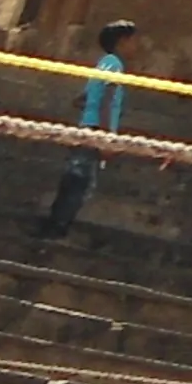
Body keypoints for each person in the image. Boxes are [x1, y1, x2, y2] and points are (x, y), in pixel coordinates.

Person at [37, 19, 138, 239]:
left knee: (74, 178)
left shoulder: (102, 63)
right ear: (122, 42)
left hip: (86, 127)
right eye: (132, 41)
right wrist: (106, 135)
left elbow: (81, 98)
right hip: (95, 130)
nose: (135, 47)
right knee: (81, 183)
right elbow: (107, 98)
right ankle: (58, 226)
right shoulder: (115, 65)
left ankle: (55, 222)